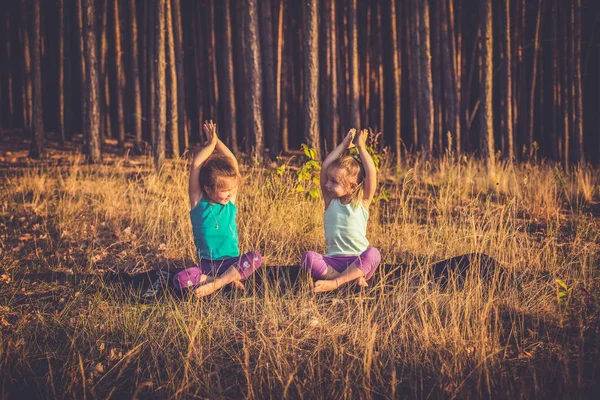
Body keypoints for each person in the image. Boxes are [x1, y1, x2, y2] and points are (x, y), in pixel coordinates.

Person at [173, 120, 262, 297]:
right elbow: (196, 164)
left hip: (232, 263)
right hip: (206, 266)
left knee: (256, 257)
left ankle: (217, 284)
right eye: (224, 191)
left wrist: (216, 139)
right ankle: (224, 280)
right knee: (179, 280)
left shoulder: (230, 204)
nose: (230, 194)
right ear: (207, 189)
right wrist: (210, 145)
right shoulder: (199, 203)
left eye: (231, 190)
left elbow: (232, 162)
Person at [301, 128, 381, 292]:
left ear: (352, 187)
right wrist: (344, 146)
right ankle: (348, 280)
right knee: (308, 257)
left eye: (334, 182)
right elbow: (325, 167)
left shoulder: (362, 203)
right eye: (328, 180)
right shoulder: (330, 201)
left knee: (374, 254)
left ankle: (335, 283)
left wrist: (361, 147)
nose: (327, 185)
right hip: (333, 262)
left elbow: (371, 173)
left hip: (358, 261)